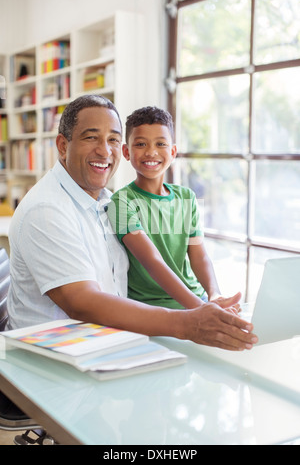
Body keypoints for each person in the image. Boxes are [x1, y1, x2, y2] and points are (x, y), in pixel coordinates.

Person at [7, 94, 257, 351]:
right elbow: (82, 302)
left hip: (102, 345)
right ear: (62, 145)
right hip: (48, 359)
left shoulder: (105, 202)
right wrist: (187, 322)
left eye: (113, 139)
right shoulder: (47, 210)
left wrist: (207, 301)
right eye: (91, 137)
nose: (104, 150)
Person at [107, 106, 238, 312]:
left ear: (173, 152)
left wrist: (214, 295)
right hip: (154, 309)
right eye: (141, 144)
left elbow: (199, 255)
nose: (151, 152)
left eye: (161, 144)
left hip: (197, 300)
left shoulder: (186, 197)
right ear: (126, 151)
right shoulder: (121, 201)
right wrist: (200, 309)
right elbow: (151, 260)